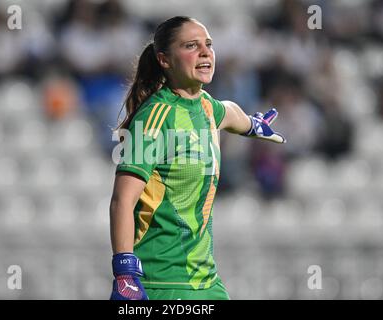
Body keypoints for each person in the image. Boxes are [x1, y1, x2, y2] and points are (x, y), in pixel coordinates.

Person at [109, 16, 285, 300]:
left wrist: (252, 125)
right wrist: (125, 272)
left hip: (206, 282)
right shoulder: (154, 118)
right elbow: (122, 201)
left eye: (209, 45)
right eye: (191, 46)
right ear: (164, 60)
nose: (205, 52)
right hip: (161, 282)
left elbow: (228, 111)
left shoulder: (205, 106)